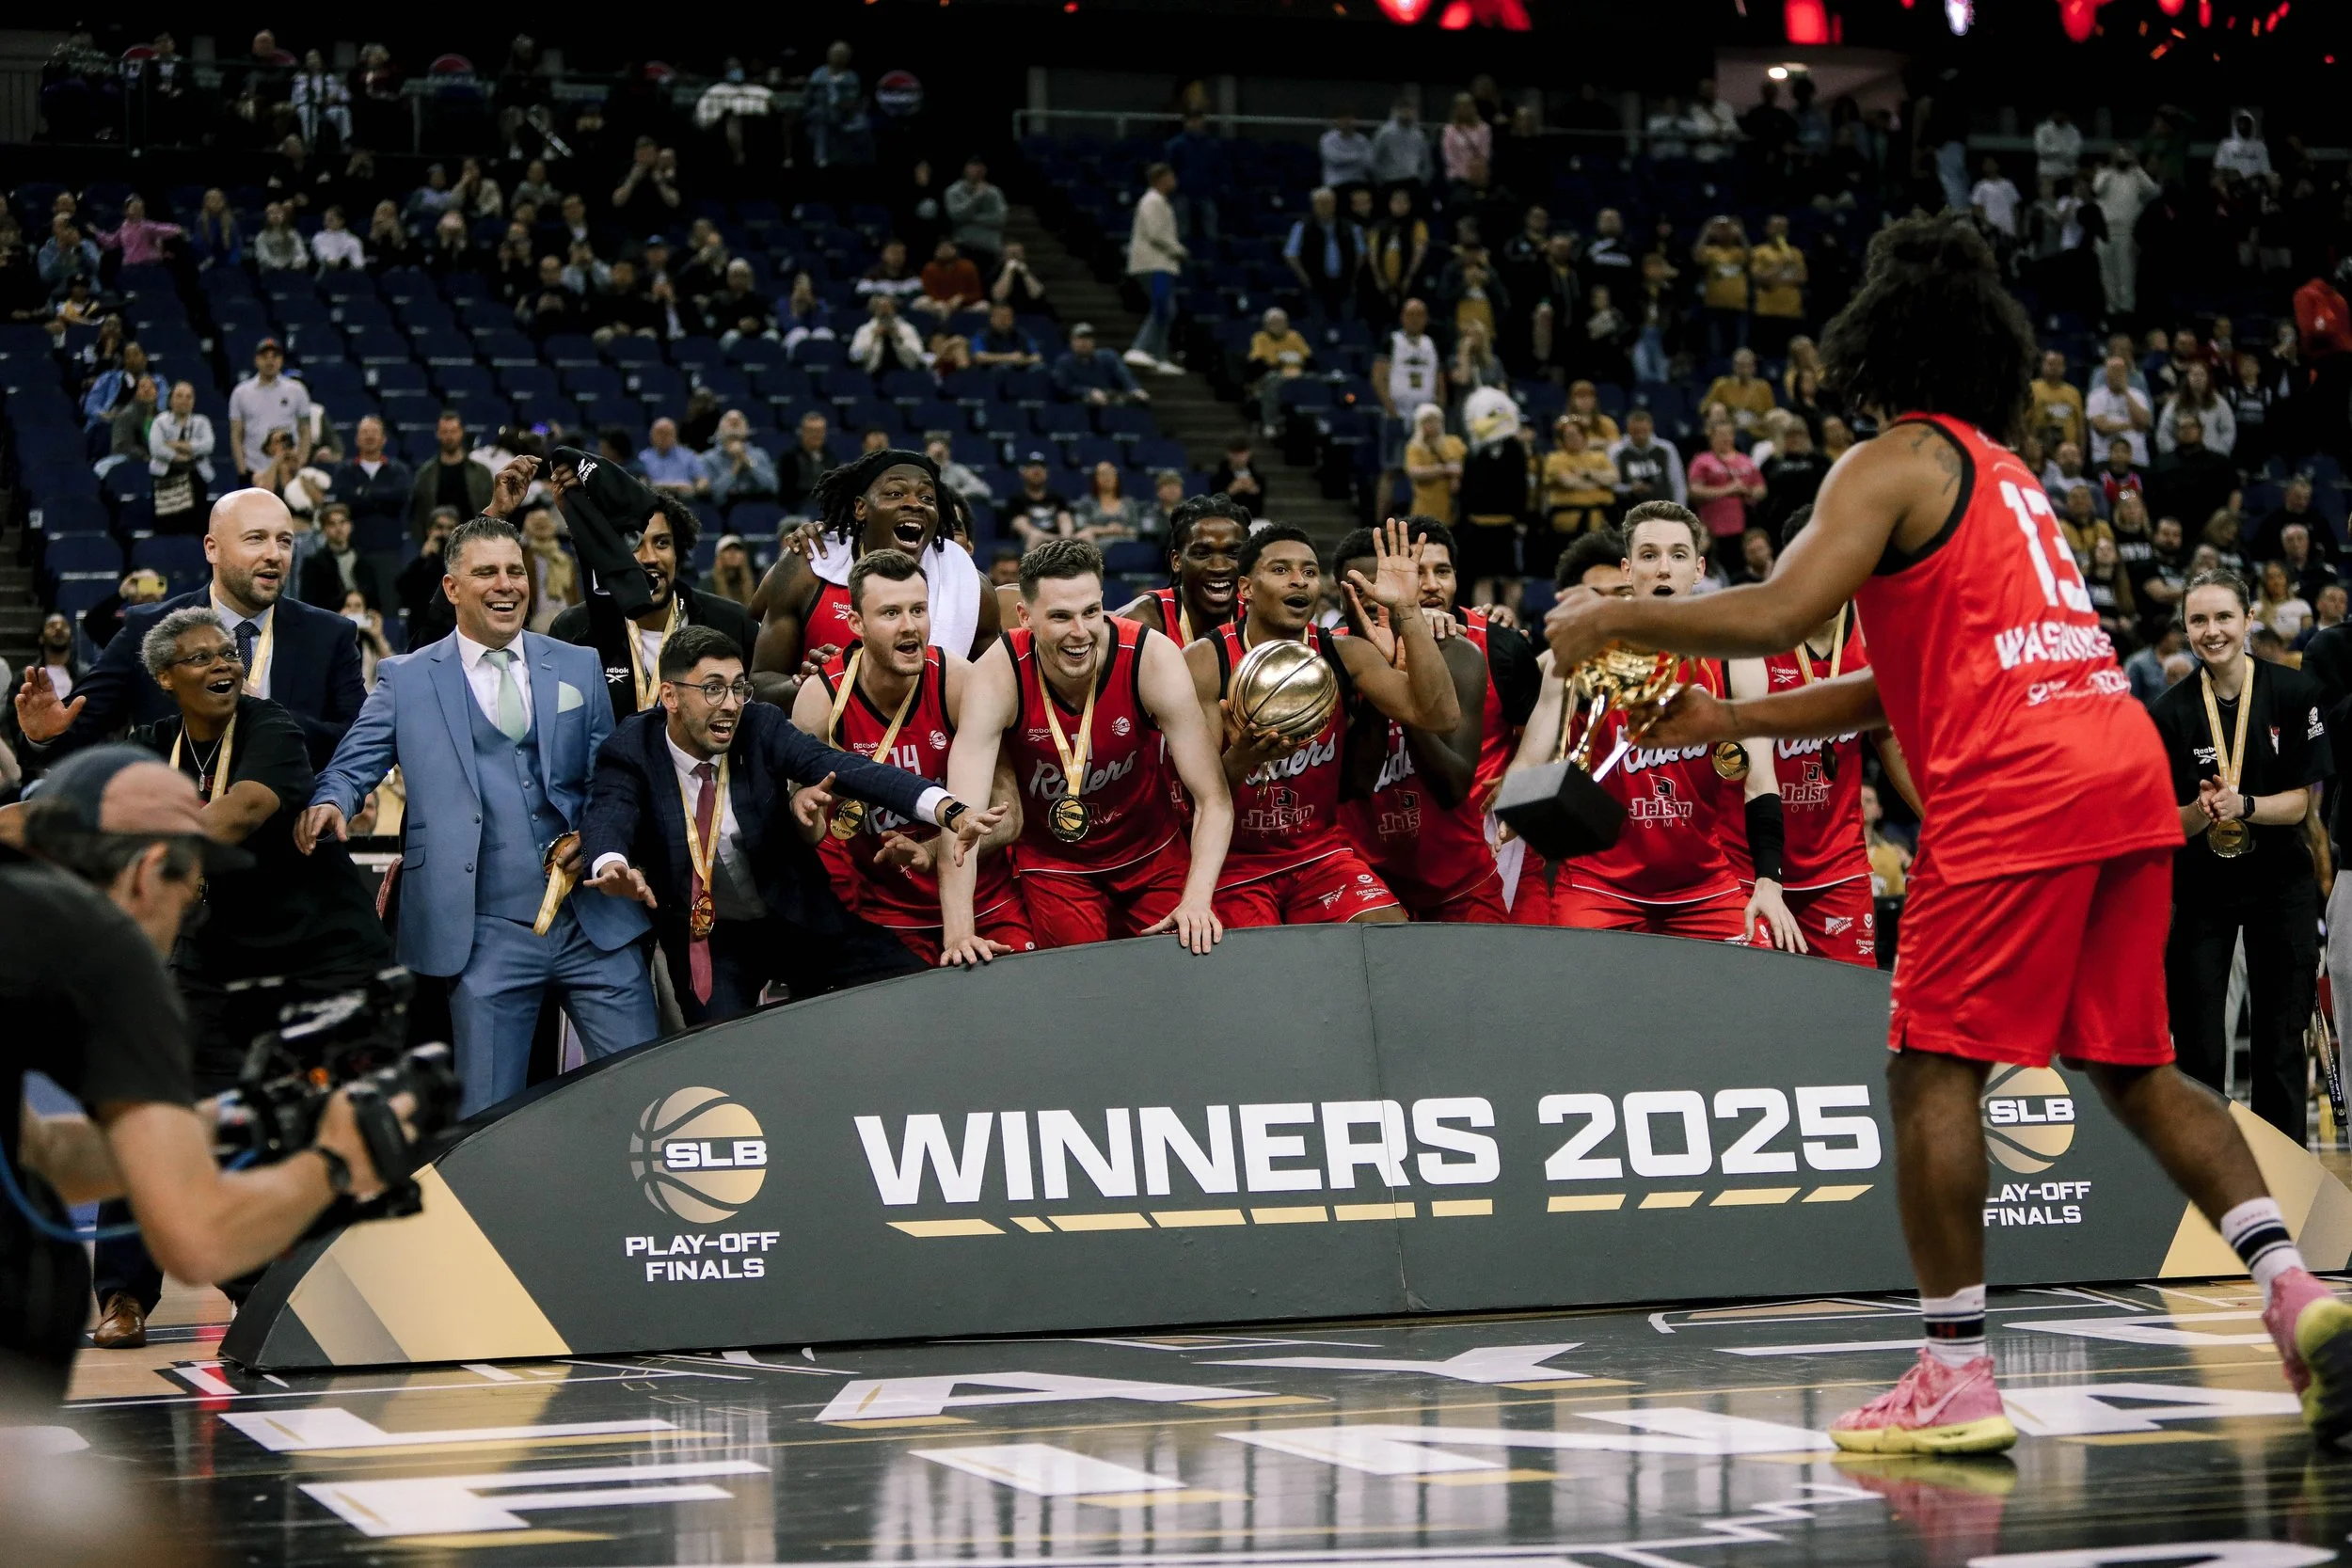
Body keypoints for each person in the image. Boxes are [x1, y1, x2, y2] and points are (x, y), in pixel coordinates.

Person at [1543, 214, 2352, 1453]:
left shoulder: (1891, 461)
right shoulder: (2011, 481)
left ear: (1874, 340)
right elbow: (1890, 683)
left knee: (1931, 1066)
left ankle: (1955, 1371)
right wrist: (1728, 715)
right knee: (2133, 1064)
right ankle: (2297, 1292)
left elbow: (1779, 605)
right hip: (2122, 766)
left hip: (2020, 783)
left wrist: (1609, 623)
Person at [0, 748, 413, 1401]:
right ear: (147, 872)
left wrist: (244, 1119)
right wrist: (335, 1157)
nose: (195, 908)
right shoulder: (104, 954)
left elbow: (42, 1152)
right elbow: (195, 1237)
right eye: (191, 885)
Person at [84, 608, 397, 1350]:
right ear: (166, 679)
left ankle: (260, 1285)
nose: (222, 663)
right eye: (199, 657)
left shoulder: (269, 728)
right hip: (208, 961)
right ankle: (124, 1292)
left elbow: (243, 807)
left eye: (227, 650)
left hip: (305, 957)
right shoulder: (147, 749)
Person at [300, 508, 659, 1116]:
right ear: (452, 588)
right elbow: (353, 760)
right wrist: (331, 800)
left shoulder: (576, 666)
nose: (507, 584)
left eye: (515, 571)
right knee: (488, 1123)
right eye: (487, 572)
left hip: (593, 922)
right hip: (482, 933)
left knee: (651, 1099)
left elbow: (611, 777)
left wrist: (602, 838)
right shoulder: (405, 678)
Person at [585, 623, 997, 1022]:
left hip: (795, 914)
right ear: (670, 697)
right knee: (720, 1060)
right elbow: (609, 811)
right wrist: (610, 863)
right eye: (712, 688)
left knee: (913, 986)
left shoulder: (758, 725)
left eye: (737, 687)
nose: (730, 704)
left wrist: (948, 809)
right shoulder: (633, 748)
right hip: (709, 937)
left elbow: (844, 767)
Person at [1509, 503, 1795, 945]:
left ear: (1699, 569)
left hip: (1701, 887)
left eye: (1678, 556)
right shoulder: (1581, 653)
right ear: (1628, 568)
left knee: (1757, 981)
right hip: (1597, 885)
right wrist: (1509, 813)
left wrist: (1768, 881)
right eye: (1649, 556)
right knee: (1583, 1007)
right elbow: (1530, 760)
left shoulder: (1733, 658)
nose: (1664, 569)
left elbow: (1760, 782)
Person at [939, 539, 1230, 958]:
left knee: (1185, 968)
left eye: (1091, 612)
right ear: (1025, 617)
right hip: (1057, 867)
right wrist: (959, 933)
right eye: (1060, 617)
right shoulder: (997, 674)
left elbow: (1213, 798)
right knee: (1080, 991)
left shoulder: (1150, 657)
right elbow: (961, 818)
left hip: (1152, 857)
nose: (1080, 633)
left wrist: (1198, 900)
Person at [1184, 521, 1458, 927]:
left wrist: (1407, 610)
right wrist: (1241, 758)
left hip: (1318, 853)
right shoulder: (1206, 663)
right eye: (1281, 570)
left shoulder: (1345, 653)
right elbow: (1197, 801)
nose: (1299, 581)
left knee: (1391, 940)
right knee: (1257, 969)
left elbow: (1440, 715)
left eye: (1310, 572)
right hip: (1231, 861)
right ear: (1245, 589)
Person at [2151, 571, 2331, 1142]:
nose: (2212, 631)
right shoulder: (2169, 712)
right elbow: (2163, 821)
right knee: (2200, 1044)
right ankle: (2204, 1176)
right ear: (2185, 628)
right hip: (2203, 889)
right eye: (2199, 620)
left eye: (2224, 617)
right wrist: (2203, 813)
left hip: (2281, 884)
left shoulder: (2293, 691)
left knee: (2280, 1040)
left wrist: (2243, 803)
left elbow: (2301, 803)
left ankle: (2287, 1180)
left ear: (2249, 618)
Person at [787, 554, 1031, 968]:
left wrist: (933, 850)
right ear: (856, 625)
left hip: (986, 899)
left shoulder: (956, 681)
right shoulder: (821, 699)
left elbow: (1010, 818)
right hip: (885, 915)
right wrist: (803, 816)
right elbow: (805, 833)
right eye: (890, 613)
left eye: (918, 610)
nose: (909, 626)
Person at [15, 490, 365, 768]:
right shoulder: (148, 628)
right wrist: (43, 737)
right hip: (178, 838)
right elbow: (78, 728)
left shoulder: (330, 635)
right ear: (212, 548)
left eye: (285, 541)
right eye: (256, 539)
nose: (275, 554)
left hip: (289, 838)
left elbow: (360, 743)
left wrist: (269, 718)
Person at [1334, 520, 1507, 922]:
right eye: (1360, 591)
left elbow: (1452, 787)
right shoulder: (1328, 660)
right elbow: (1354, 785)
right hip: (1365, 878)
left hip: (1460, 877)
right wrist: (1381, 682)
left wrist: (1407, 680)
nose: (1377, 602)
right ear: (1338, 596)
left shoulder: (1458, 654)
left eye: (1386, 588)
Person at [750, 449, 1002, 688]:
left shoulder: (971, 588)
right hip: (819, 730)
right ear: (860, 508)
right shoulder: (810, 566)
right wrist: (811, 689)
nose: (915, 504)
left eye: (927, 497)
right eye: (895, 493)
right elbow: (761, 681)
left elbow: (997, 692)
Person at [548, 478, 757, 722]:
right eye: (634, 544)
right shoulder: (573, 631)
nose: (649, 558)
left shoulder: (731, 623)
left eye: (662, 543)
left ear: (678, 551)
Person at [1118, 494, 1247, 644]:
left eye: (1233, 554)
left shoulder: (1262, 617)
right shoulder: (1139, 623)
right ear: (1177, 561)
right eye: (1201, 554)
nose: (1219, 567)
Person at [225, 338, 313, 484]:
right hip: (254, 471)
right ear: (256, 360)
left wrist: (301, 462)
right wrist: (242, 470)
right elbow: (236, 434)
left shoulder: (297, 390)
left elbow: (305, 430)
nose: (270, 361)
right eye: (264, 357)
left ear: (282, 360)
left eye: (275, 356)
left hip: (288, 471)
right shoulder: (241, 393)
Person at [1125, 164, 1185, 374]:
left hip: (1162, 264)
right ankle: (1139, 347)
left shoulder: (1160, 201)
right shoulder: (1152, 201)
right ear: (1162, 179)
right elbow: (1155, 234)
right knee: (1163, 308)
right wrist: (1177, 249)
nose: (1174, 180)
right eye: (1171, 176)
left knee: (1168, 310)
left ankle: (1160, 357)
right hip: (1154, 264)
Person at [407, 410, 494, 543]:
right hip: (438, 546)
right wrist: (423, 544)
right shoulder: (425, 475)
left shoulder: (481, 473)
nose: (449, 436)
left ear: (461, 432)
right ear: (437, 434)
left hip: (475, 543)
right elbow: (418, 515)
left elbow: (492, 508)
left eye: (453, 431)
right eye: (444, 432)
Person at [297, 503, 387, 611]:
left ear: (350, 526)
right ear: (324, 530)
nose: (339, 528)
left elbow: (374, 599)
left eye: (342, 522)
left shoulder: (364, 560)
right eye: (332, 524)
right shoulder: (314, 564)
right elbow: (309, 603)